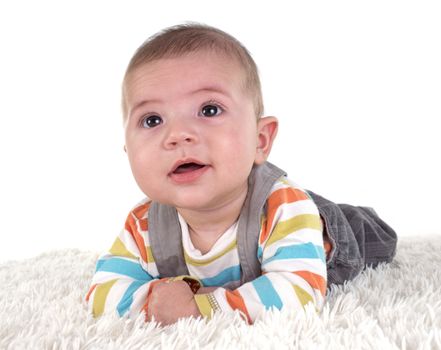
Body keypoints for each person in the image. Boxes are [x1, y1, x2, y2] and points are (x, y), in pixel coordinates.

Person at [86, 23, 397, 326]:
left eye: (209, 110)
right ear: (127, 151)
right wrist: (162, 297)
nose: (178, 134)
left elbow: (298, 292)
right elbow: (101, 292)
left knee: (376, 237)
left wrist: (201, 307)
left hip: (326, 233)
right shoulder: (143, 225)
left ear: (260, 140)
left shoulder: (284, 207)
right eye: (152, 120)